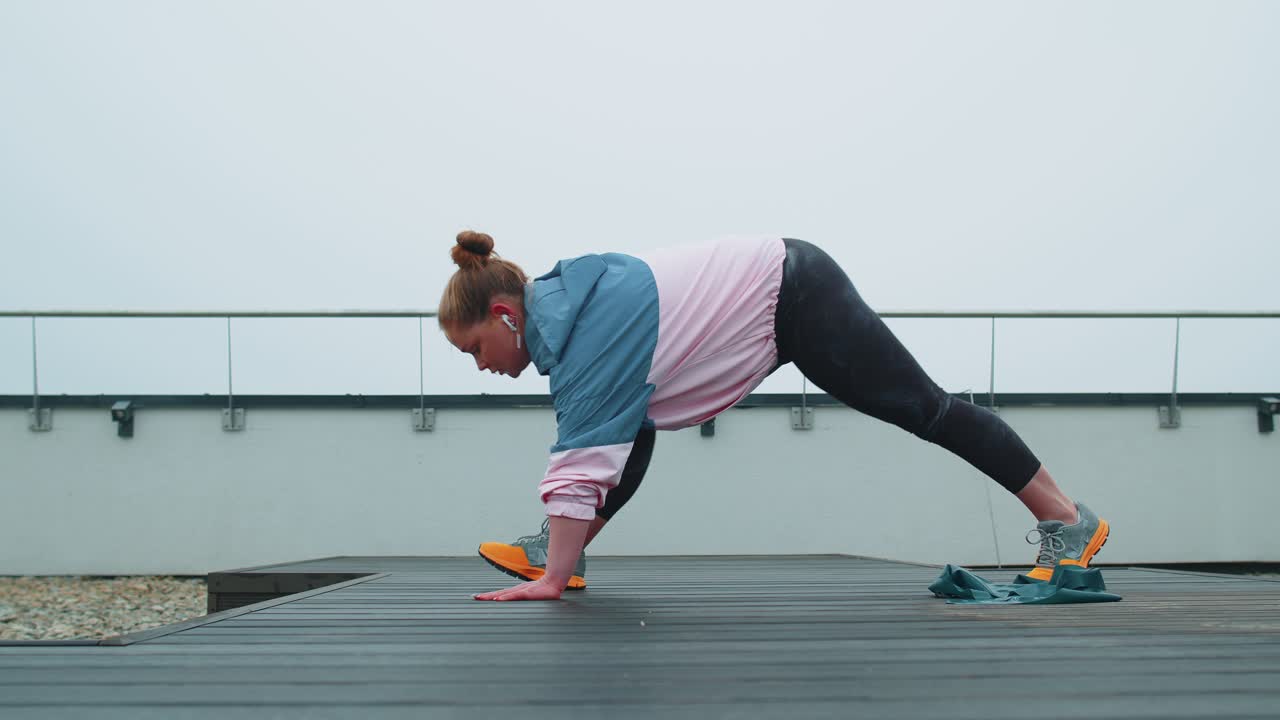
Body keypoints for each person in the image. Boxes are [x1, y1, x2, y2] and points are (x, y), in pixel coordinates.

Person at [438, 230, 1110, 602]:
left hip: (796, 292)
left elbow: (582, 457)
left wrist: (552, 584)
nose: (480, 366)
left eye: (474, 349)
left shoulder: (585, 333)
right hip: (778, 288)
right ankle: (564, 550)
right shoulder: (568, 308)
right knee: (629, 426)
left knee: (925, 408)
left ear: (504, 316)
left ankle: (1065, 519)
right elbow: (612, 435)